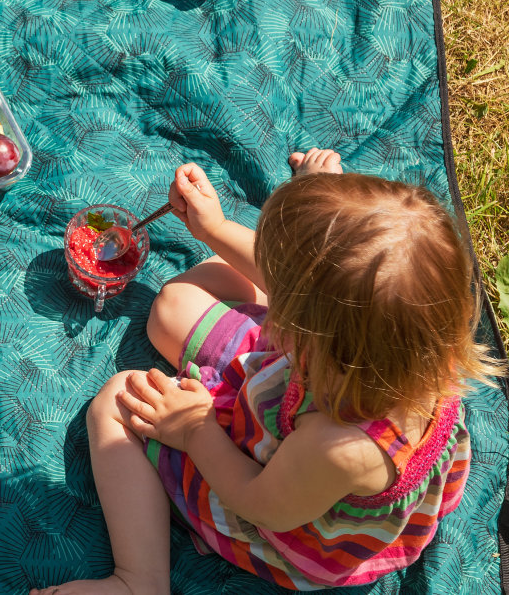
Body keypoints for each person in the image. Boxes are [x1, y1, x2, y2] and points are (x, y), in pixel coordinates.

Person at [34, 149, 492, 595]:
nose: (273, 294)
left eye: (289, 297)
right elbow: (338, 285)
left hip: (276, 500)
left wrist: (194, 430)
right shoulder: (412, 341)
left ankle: (138, 579)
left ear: (317, 338)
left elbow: (259, 503)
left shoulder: (342, 448)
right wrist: (217, 229)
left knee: (119, 400)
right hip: (287, 389)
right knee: (173, 305)